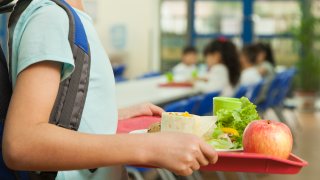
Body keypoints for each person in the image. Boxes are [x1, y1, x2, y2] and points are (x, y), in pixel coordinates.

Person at [2, 0, 218, 179]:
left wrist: (107, 118)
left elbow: (59, 111)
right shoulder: (50, 17)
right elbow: (22, 143)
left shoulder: (68, 16)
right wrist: (147, 147)